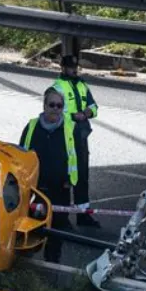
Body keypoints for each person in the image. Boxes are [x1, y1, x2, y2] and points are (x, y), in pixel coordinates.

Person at [20, 87, 78, 263]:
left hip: (60, 187)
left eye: (59, 106)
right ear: (44, 106)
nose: (55, 109)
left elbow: (77, 157)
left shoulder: (69, 129)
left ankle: (52, 261)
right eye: (52, 104)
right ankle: (25, 260)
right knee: (29, 224)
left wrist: (71, 180)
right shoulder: (31, 126)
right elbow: (21, 152)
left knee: (57, 227)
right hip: (35, 186)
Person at [51, 54, 100, 228]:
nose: (74, 70)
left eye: (76, 67)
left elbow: (94, 107)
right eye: (71, 67)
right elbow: (53, 112)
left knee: (82, 177)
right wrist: (73, 115)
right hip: (64, 138)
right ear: (62, 68)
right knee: (64, 177)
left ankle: (83, 214)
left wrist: (87, 113)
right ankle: (61, 218)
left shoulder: (82, 85)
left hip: (80, 137)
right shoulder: (57, 87)